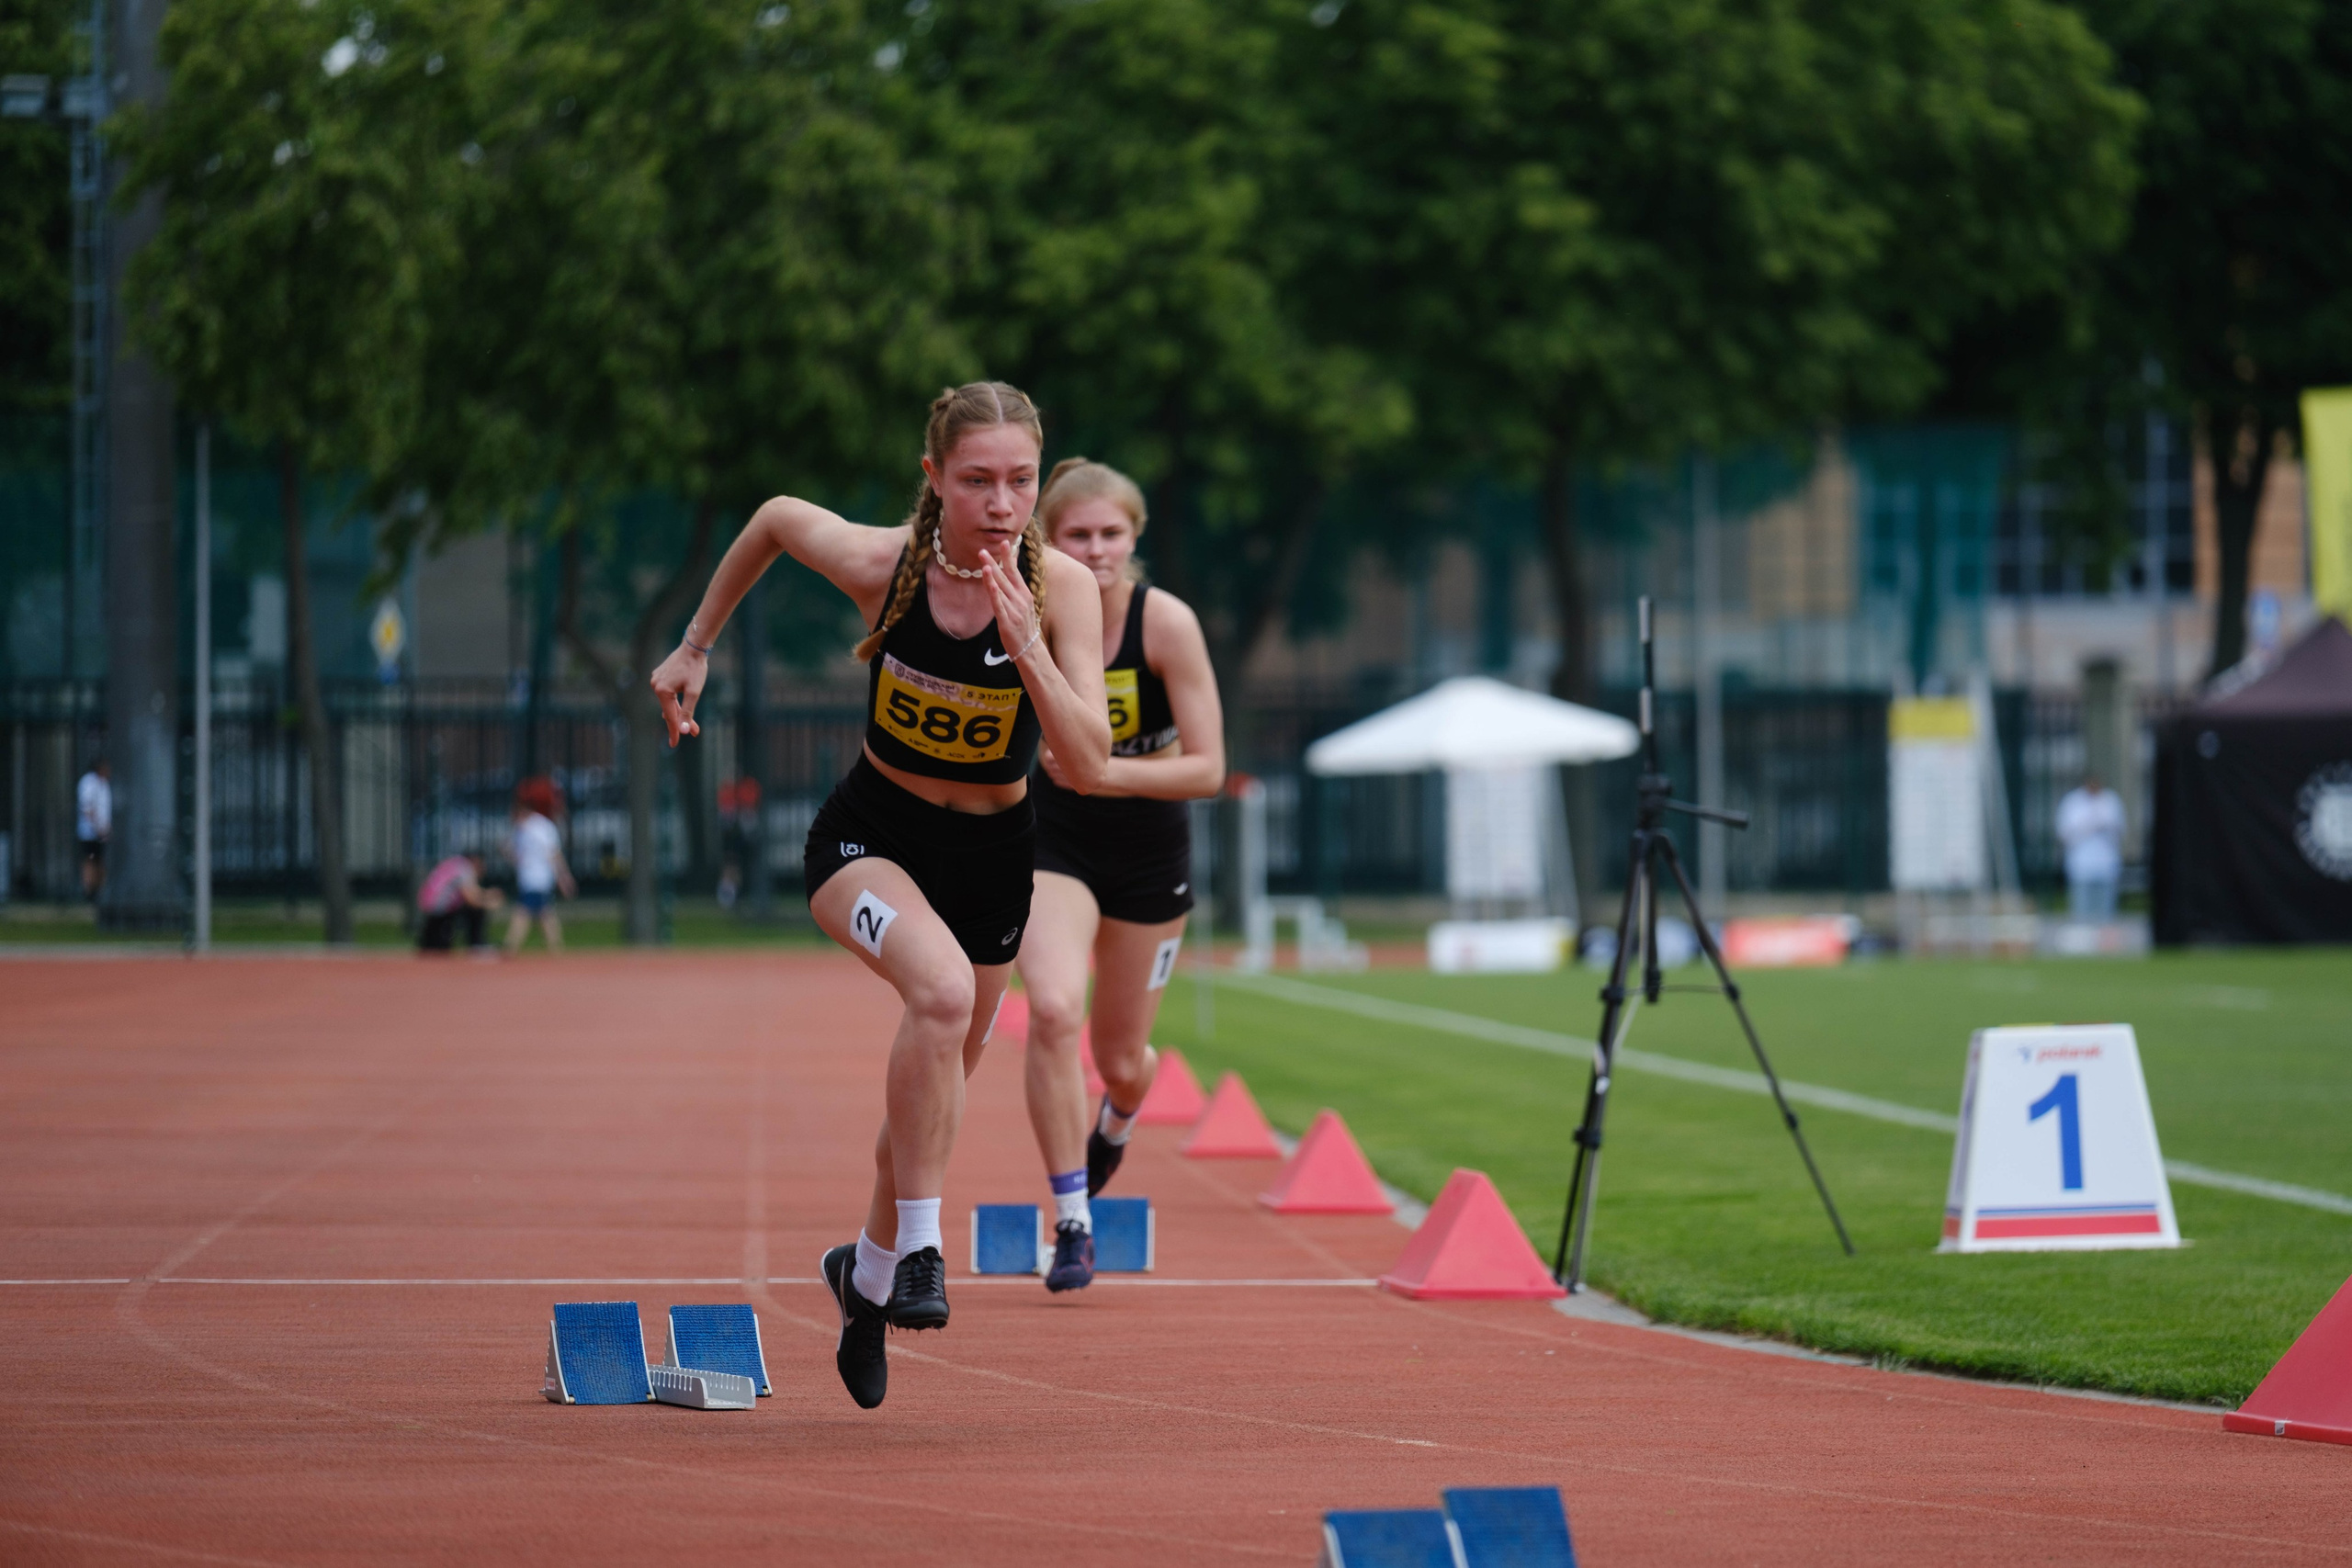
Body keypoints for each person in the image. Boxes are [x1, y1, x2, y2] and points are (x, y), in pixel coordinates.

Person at [648, 381, 1109, 1411]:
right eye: (977, 480)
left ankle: (862, 1276)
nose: (1001, 503)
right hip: (870, 838)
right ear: (934, 477)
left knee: (932, 1093)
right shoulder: (884, 567)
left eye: (1021, 480)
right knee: (941, 995)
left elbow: (1088, 762)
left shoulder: (1065, 591)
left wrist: (1028, 644)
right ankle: (921, 1255)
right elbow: (775, 518)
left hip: (993, 856)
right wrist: (696, 646)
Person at [1015, 459, 1225, 1292]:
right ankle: (1074, 1220)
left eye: (1111, 534)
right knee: (1053, 1009)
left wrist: (1103, 772)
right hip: (1054, 842)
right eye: (1078, 535)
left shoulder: (1163, 623)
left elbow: (1209, 768)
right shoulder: (1024, 611)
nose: (1096, 550)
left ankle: (1118, 1119)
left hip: (1148, 853)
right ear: (1046, 540)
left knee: (1123, 1057)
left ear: (1134, 538)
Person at [504, 779, 576, 954]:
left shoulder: (542, 826)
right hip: (529, 877)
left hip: (538, 878)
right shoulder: (522, 829)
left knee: (524, 912)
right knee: (544, 912)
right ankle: (555, 947)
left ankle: (511, 946)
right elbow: (515, 854)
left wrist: (563, 878)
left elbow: (554, 854)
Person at [2056, 772, 2126, 922]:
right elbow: (2064, 832)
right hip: (2081, 865)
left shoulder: (2110, 800)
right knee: (2082, 914)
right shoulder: (2073, 802)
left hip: (2106, 864)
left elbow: (2119, 829)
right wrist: (2089, 825)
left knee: (2105, 914)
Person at [416, 852, 502, 951]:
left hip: (431, 905)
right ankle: (477, 943)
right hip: (441, 908)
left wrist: (488, 894)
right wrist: (489, 904)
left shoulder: (456, 864)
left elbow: (473, 892)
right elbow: (471, 899)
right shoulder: (465, 869)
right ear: (476, 861)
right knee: (476, 909)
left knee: (434, 942)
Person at [74, 759, 110, 901]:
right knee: (90, 859)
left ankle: (100, 891)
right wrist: (98, 827)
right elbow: (88, 808)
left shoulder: (104, 783)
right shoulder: (88, 782)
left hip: (102, 832)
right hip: (89, 833)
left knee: (100, 860)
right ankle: (89, 891)